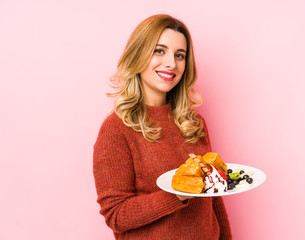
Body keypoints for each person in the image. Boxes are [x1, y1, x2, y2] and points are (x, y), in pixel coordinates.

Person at [93, 14, 232, 240]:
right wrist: (178, 193)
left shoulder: (193, 123)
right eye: (159, 50)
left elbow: (213, 199)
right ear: (138, 54)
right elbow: (117, 215)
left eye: (180, 55)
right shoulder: (116, 129)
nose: (171, 63)